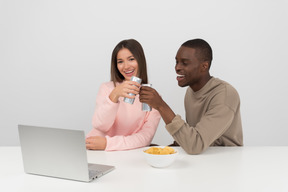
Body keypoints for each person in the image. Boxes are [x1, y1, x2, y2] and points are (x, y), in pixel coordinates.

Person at [139, 38, 243, 155]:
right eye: (176, 62)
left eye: (185, 63)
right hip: (203, 159)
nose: (177, 68)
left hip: (226, 161)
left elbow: (195, 145)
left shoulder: (225, 95)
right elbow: (192, 135)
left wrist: (161, 106)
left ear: (204, 66)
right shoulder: (190, 92)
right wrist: (163, 150)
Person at [86, 39, 161, 151]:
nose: (126, 66)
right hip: (97, 152)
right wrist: (115, 95)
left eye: (131, 59)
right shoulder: (107, 88)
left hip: (125, 154)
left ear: (140, 60)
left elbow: (145, 137)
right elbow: (100, 126)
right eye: (120, 61)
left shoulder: (151, 96)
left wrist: (108, 144)